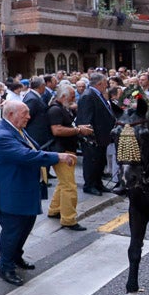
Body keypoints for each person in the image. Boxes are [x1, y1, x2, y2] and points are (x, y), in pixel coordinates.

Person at [0, 101, 75, 286]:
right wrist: (57, 157)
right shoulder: (2, 135)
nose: (29, 116)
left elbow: (34, 148)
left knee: (25, 227)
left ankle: (15, 257)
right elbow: (26, 156)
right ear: (11, 114)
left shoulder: (17, 129)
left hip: (24, 190)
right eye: (25, 113)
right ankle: (5, 267)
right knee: (12, 231)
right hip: (10, 194)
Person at [46, 84, 89, 231]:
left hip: (65, 150)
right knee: (69, 186)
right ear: (63, 97)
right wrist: (78, 130)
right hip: (62, 151)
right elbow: (57, 130)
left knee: (63, 183)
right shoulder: (55, 109)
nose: (74, 98)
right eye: (71, 96)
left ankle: (55, 209)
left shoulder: (60, 108)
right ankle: (68, 219)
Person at [75, 72, 115, 196]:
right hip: (93, 138)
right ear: (99, 84)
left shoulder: (97, 94)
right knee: (91, 162)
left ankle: (98, 183)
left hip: (102, 136)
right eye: (105, 83)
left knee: (100, 161)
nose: (107, 85)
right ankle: (90, 185)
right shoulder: (88, 96)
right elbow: (85, 119)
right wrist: (90, 138)